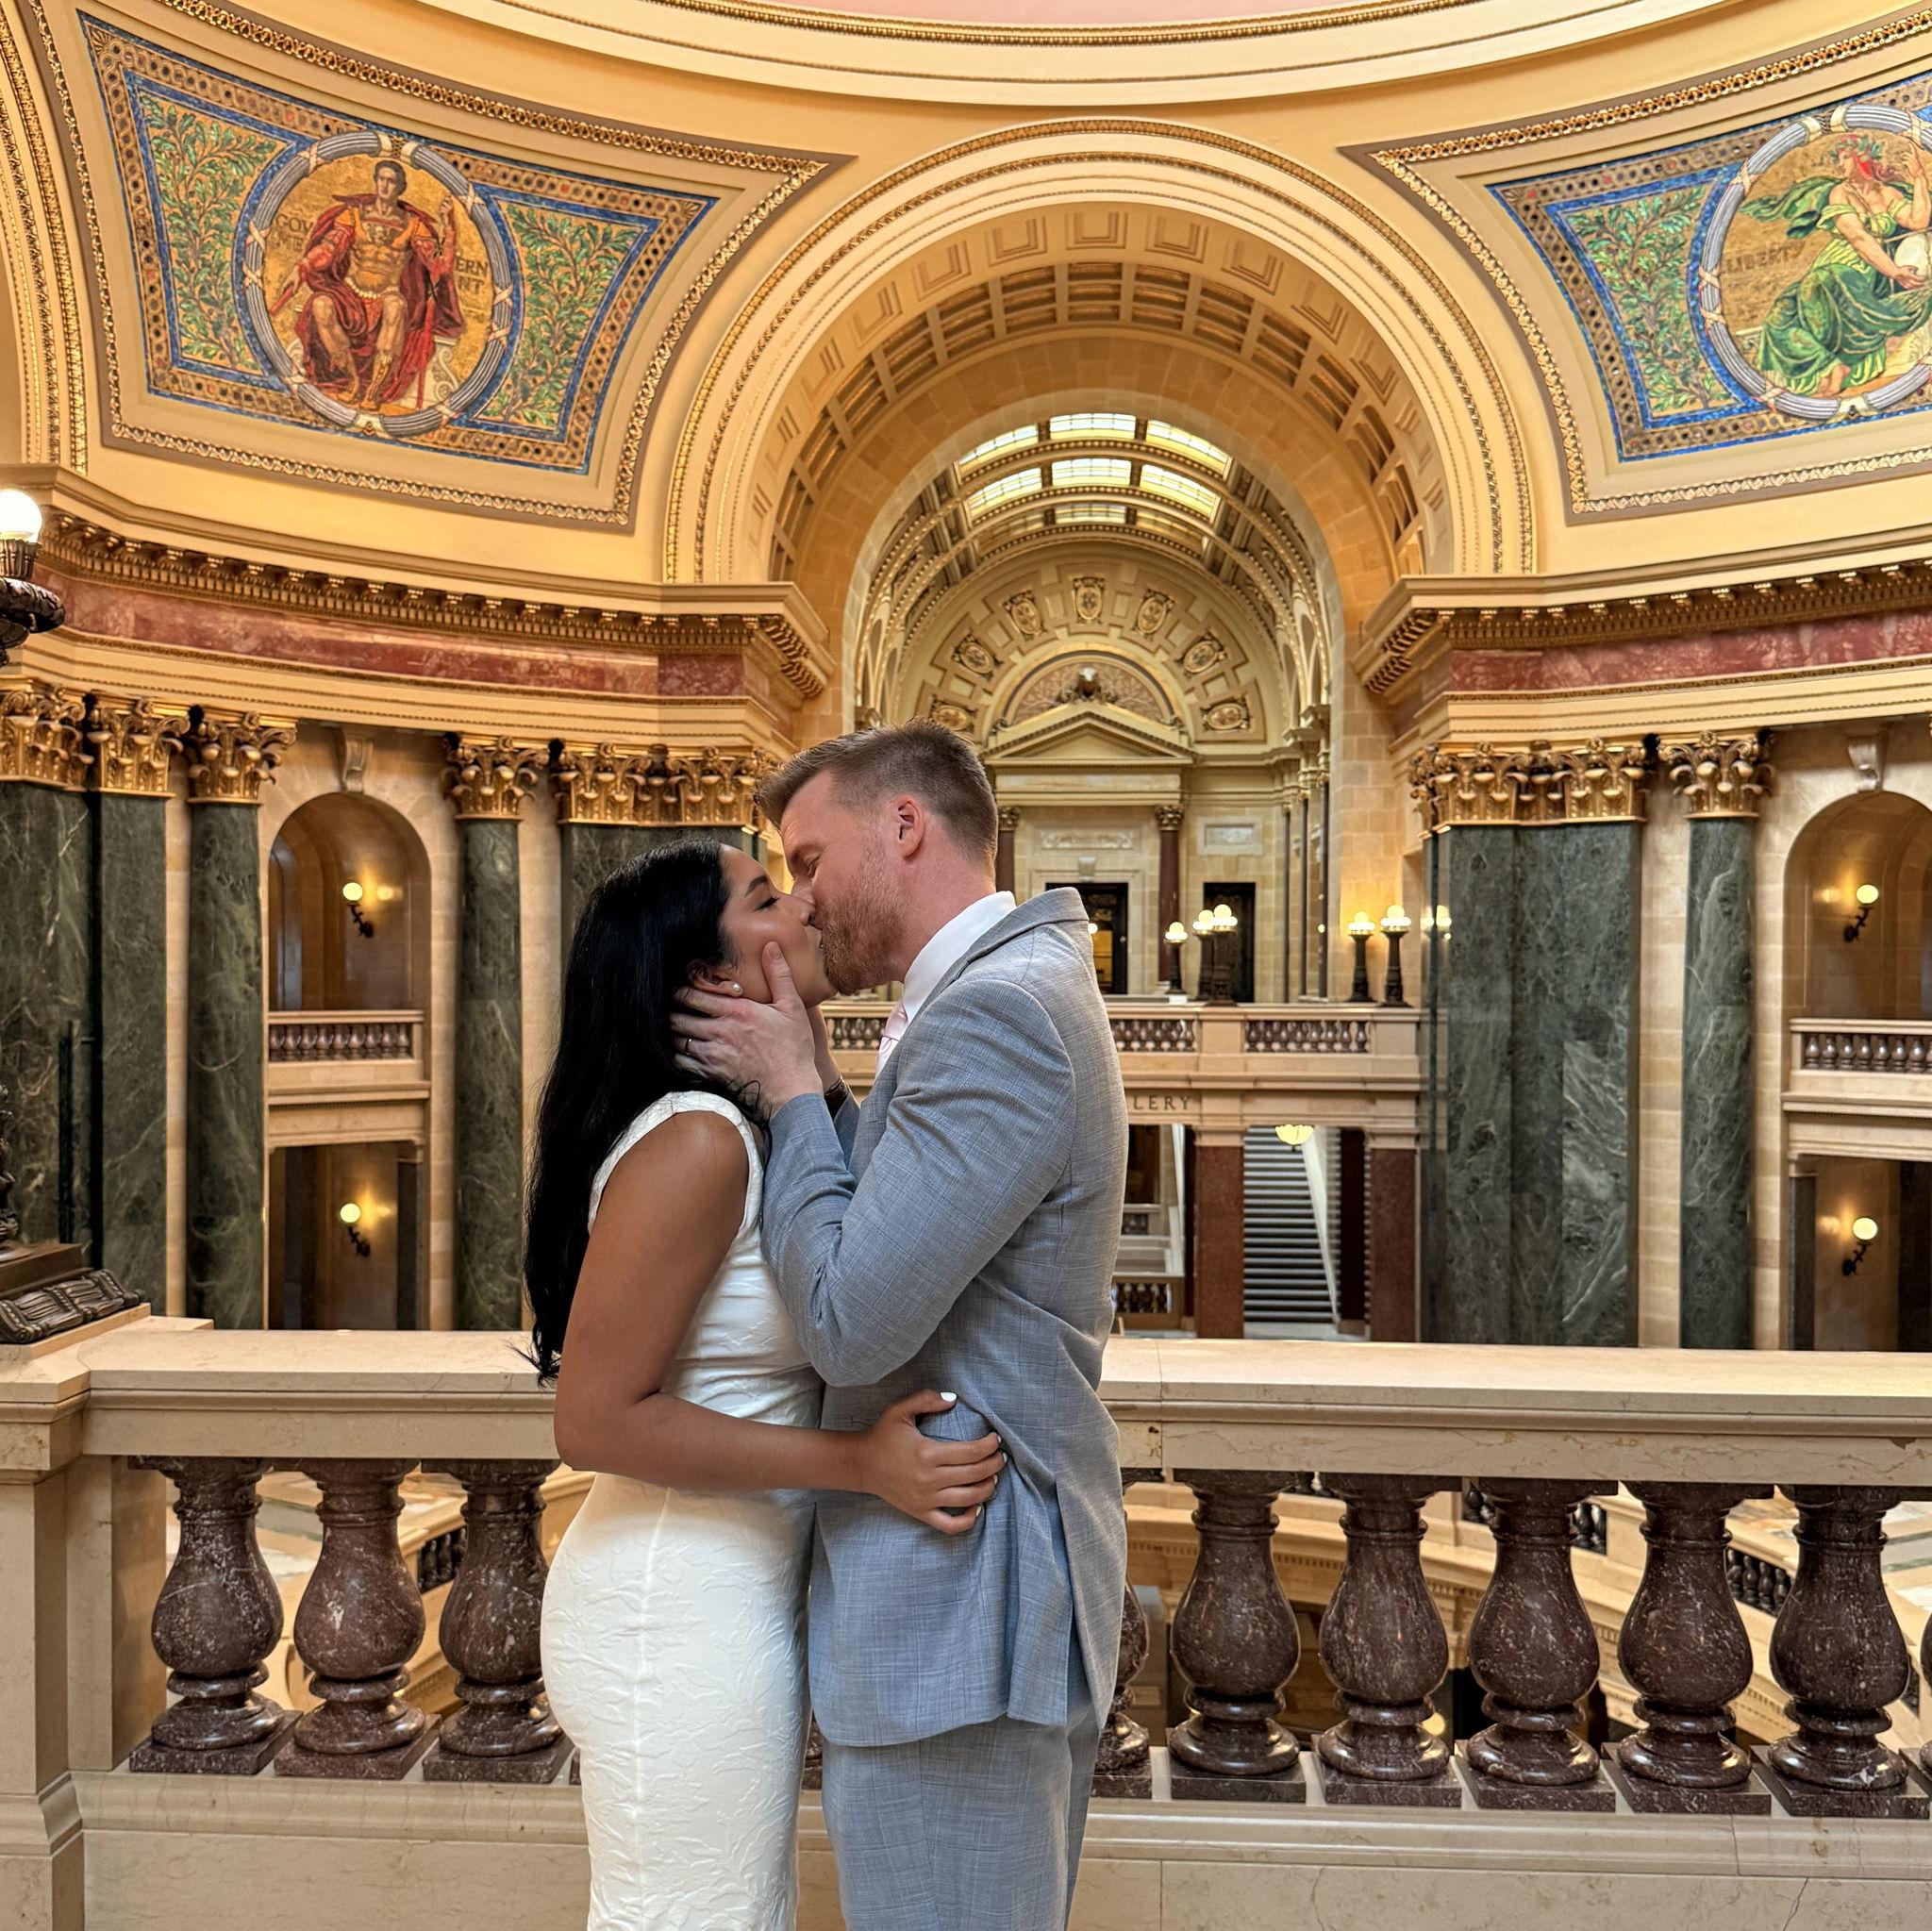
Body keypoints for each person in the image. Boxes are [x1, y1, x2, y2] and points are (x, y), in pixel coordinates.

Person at [673, 723, 1129, 1931]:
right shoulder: (992, 996)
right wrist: (821, 1090)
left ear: (905, 826)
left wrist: (782, 1092)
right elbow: (905, 1223)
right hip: (964, 1599)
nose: (807, 902)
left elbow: (849, 1323)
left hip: (963, 1605)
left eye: (811, 860)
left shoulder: (1000, 1016)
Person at [533, 838, 1004, 1931]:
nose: (800, 904)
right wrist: (858, 1464)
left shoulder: (747, 1128)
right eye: (764, 894)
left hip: (726, 1591)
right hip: (671, 1604)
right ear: (707, 977)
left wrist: (807, 1073)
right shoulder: (696, 1142)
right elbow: (592, 1418)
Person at [1746, 133, 1932, 398]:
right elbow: (1856, 237)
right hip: (1833, 266)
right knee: (1778, 318)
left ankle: (1836, 370)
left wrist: (1918, 178)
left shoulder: (1887, 194)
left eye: (1844, 158)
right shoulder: (1840, 192)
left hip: (1863, 272)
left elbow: (1918, 221)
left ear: (1860, 159)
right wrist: (1895, 271)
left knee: (1823, 287)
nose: (1840, 165)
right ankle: (1830, 365)